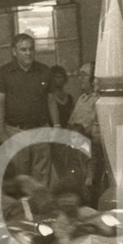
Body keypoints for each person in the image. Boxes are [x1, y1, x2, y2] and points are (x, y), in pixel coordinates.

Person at [0, 33, 53, 186]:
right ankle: (23, 210)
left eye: (31, 49)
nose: (28, 53)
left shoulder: (44, 70)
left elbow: (51, 100)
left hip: (41, 130)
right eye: (23, 49)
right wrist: (1, 132)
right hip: (15, 131)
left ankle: (39, 210)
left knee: (41, 178)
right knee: (20, 178)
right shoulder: (4, 72)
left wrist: (57, 125)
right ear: (14, 51)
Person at [67, 61, 104, 204]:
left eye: (83, 74)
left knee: (91, 186)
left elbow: (95, 129)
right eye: (79, 74)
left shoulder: (99, 100)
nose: (79, 78)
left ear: (93, 78)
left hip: (92, 150)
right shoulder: (81, 99)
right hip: (76, 149)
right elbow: (71, 123)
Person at [47, 65, 76, 180]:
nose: (59, 80)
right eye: (56, 77)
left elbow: (73, 116)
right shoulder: (48, 97)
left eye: (61, 77)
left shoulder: (69, 98)